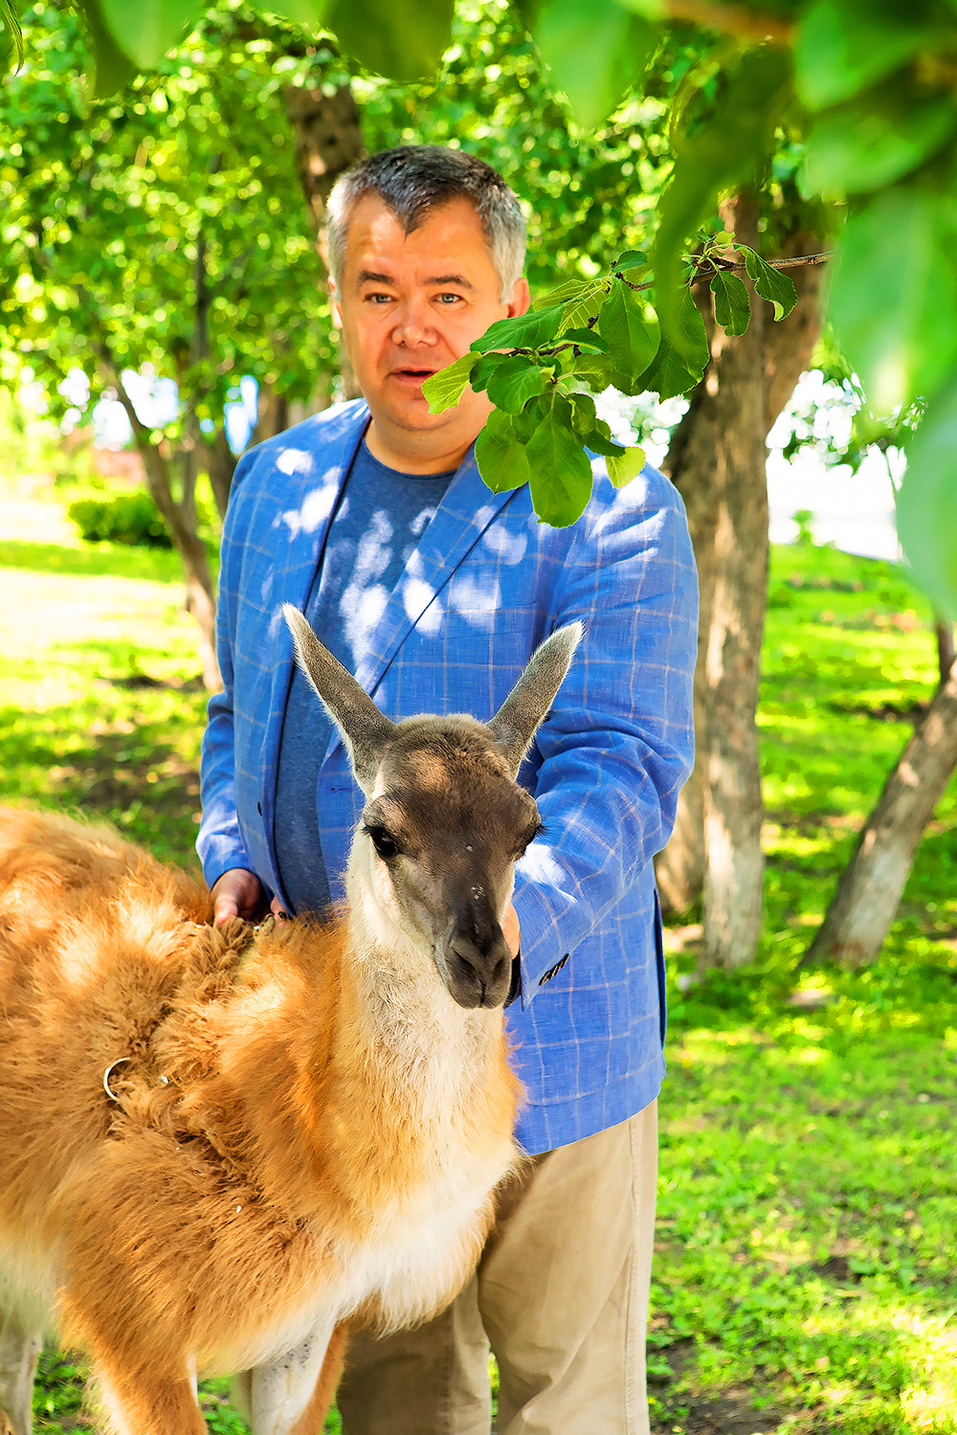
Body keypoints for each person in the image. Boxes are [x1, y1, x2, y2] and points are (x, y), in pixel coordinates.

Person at [198, 144, 697, 1435]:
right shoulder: (275, 486)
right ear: (336, 302)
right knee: (400, 1408)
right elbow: (235, 713)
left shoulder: (610, 503)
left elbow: (623, 769)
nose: (409, 327)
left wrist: (486, 936)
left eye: (446, 292)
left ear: (511, 308)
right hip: (348, 1070)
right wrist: (228, 850)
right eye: (376, 291)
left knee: (565, 1404)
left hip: (550, 1050)